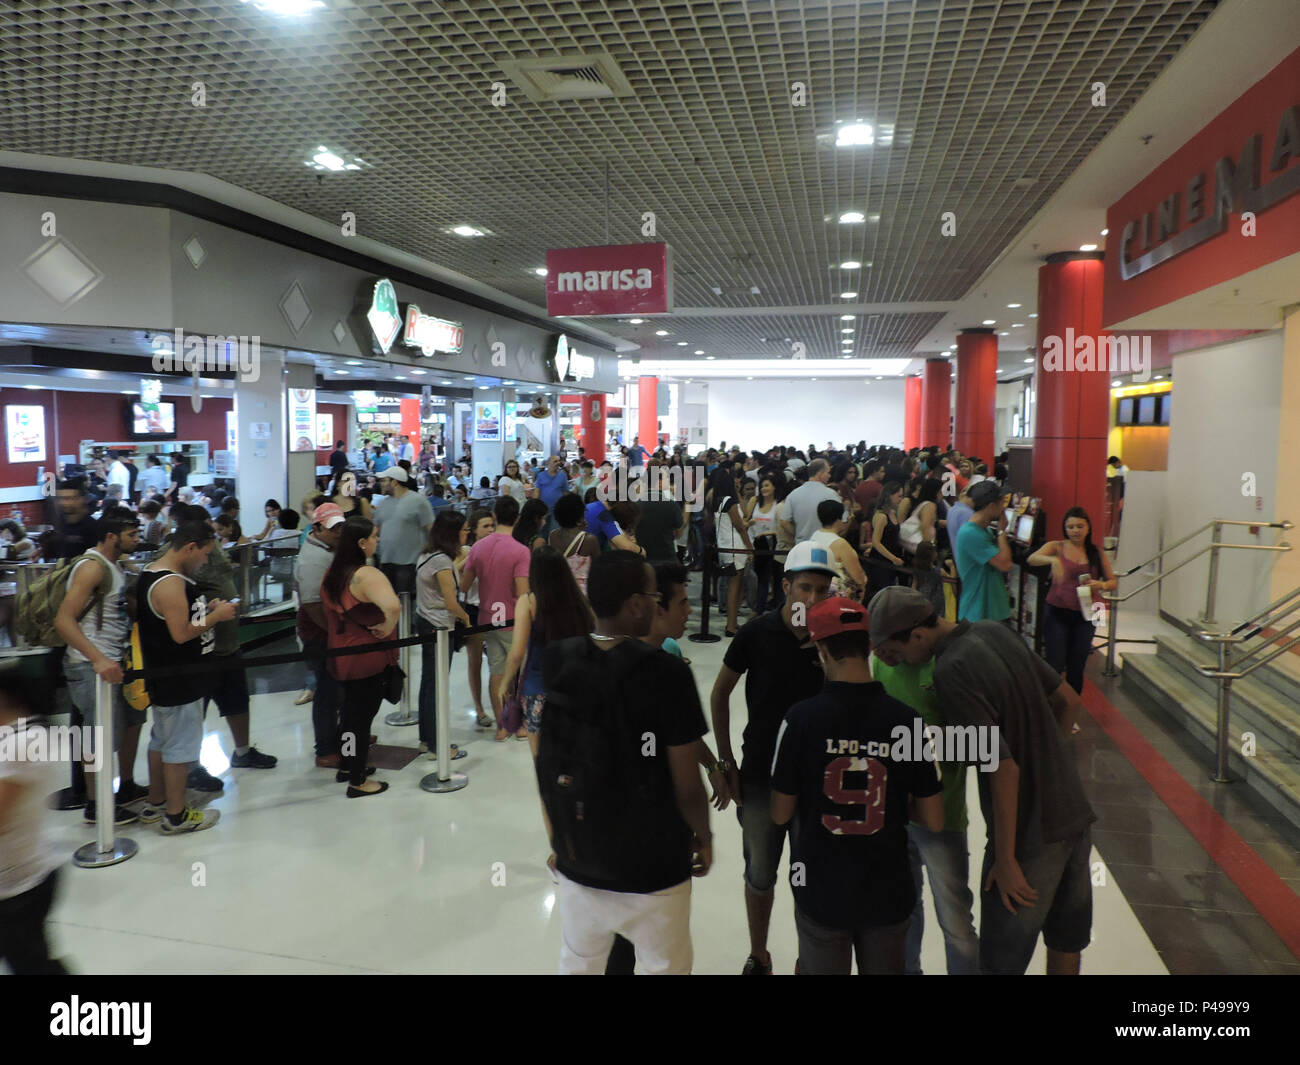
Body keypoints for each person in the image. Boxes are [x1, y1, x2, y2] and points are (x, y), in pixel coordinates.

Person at [869, 585, 1095, 975]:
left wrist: (1006, 860)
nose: (897, 662)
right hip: (1074, 813)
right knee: (1066, 939)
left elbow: (1003, 767)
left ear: (918, 635)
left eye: (898, 652)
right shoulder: (994, 630)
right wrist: (1047, 759)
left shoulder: (951, 669)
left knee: (998, 962)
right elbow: (1069, 700)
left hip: (1029, 835)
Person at [538, 551, 712, 975]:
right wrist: (703, 836)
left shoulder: (558, 659)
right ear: (636, 604)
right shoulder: (669, 674)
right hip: (654, 861)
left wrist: (558, 836)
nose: (656, 604)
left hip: (581, 854)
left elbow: (548, 758)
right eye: (653, 596)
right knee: (663, 964)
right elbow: (687, 785)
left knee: (579, 962)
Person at [769, 597, 944, 975]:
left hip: (821, 885)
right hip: (888, 886)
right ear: (868, 646)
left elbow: (781, 811)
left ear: (820, 649)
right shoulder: (909, 722)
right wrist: (892, 803)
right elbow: (933, 818)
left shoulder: (800, 721)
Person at [708, 540, 835, 975]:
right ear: (785, 586)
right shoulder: (756, 633)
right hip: (760, 776)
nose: (812, 598)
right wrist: (725, 764)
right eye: (804, 588)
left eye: (822, 589)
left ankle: (808, 960)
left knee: (811, 876)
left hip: (817, 782)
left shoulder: (832, 639)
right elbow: (720, 691)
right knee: (760, 874)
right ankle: (758, 954)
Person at [871, 619, 978, 975]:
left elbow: (982, 745)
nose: (882, 656)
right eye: (877, 650)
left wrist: (912, 741)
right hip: (894, 816)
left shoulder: (948, 668)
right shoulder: (879, 666)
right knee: (903, 911)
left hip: (942, 817)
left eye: (888, 649)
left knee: (956, 921)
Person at [136, 520, 234, 833]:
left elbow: (174, 621)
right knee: (179, 747)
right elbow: (180, 634)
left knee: (161, 740)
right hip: (179, 678)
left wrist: (206, 611)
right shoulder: (170, 583)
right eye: (204, 554)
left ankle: (156, 801)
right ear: (190, 547)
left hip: (166, 675)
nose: (205, 562)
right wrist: (216, 617)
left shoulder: (155, 574)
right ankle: (176, 815)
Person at [53, 509, 146, 826]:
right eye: (131, 534)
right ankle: (96, 805)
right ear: (111, 536)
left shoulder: (113, 566)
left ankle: (120, 790)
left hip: (114, 663)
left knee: (125, 726)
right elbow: (64, 620)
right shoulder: (92, 568)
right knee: (97, 739)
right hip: (89, 667)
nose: (137, 540)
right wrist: (98, 658)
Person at [499, 545, 593, 848]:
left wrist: (505, 684)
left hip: (538, 695)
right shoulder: (579, 602)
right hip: (576, 694)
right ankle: (583, 837)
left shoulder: (528, 602)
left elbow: (516, 654)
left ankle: (558, 848)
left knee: (546, 775)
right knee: (578, 767)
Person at [319, 516, 401, 797]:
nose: (378, 541)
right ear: (362, 543)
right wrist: (388, 627)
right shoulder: (366, 575)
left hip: (341, 653)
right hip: (366, 656)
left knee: (350, 716)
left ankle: (348, 764)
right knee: (360, 719)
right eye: (375, 536)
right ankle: (357, 778)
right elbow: (394, 606)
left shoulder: (333, 572)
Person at [0, 665, 67, 973]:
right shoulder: (26, 734)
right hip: (29, 874)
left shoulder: (20, 743)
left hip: (17, 887)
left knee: (32, 964)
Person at [459, 496, 531, 739]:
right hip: (512, 621)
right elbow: (522, 593)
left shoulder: (478, 548)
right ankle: (519, 725)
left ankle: (502, 726)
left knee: (496, 672)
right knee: (518, 675)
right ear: (518, 519)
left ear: (496, 517)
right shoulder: (521, 551)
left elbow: (464, 585)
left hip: (487, 618)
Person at [1028, 507, 1117, 694]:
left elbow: (1112, 582)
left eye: (1079, 526)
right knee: (1055, 663)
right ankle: (1050, 706)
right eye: (1070, 527)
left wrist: (1099, 585)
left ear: (1088, 528)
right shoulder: (1057, 546)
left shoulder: (1096, 552)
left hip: (1088, 613)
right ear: (1065, 529)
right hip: (1057, 610)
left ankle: (1071, 710)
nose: (1075, 530)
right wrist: (1053, 561)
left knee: (1077, 666)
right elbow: (1032, 558)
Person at [415, 510, 473, 762]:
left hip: (426, 620)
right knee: (436, 686)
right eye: (464, 530)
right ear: (452, 532)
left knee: (429, 683)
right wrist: (467, 618)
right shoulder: (441, 561)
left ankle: (427, 739)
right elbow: (450, 602)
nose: (467, 534)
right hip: (439, 626)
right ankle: (437, 744)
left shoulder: (427, 554)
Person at [295, 502, 347, 766]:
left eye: (341, 527)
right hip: (320, 634)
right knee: (327, 693)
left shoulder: (327, 549)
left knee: (338, 689)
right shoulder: (312, 559)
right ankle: (326, 750)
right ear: (317, 528)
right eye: (333, 528)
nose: (339, 532)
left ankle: (342, 738)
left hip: (330, 630)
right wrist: (334, 633)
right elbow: (313, 605)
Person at [373, 466, 434, 602]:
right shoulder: (383, 503)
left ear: (394, 482)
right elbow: (376, 529)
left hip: (409, 563)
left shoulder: (419, 501)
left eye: (384, 481)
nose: (380, 484)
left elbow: (432, 529)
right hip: (386, 562)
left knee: (406, 602)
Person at [954, 480, 1012, 623]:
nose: (1003, 508)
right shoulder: (971, 534)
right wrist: (1001, 533)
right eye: (1001, 503)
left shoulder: (983, 530)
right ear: (992, 506)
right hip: (979, 614)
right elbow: (1005, 565)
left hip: (993, 611)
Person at [460, 508, 496, 730]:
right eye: (485, 526)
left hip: (495, 608)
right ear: (474, 530)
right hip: (473, 609)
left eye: (492, 525)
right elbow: (461, 582)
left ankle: (503, 705)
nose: (490, 530)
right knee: (476, 661)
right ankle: (479, 708)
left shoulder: (498, 547)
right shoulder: (466, 550)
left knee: (499, 660)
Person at [709, 467, 752, 637]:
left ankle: (732, 623)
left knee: (735, 585)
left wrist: (737, 493)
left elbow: (745, 513)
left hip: (726, 547)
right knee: (735, 586)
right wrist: (750, 548)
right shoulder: (728, 502)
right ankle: (731, 625)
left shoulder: (718, 500)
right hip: (736, 548)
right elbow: (740, 527)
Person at [810, 499, 868, 602]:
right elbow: (859, 578)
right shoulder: (841, 544)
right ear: (838, 519)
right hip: (837, 598)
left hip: (818, 590)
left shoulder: (815, 535)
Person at [781, 459, 842, 543]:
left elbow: (784, 522)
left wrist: (799, 534)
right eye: (828, 473)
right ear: (820, 474)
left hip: (802, 544)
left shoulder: (793, 494)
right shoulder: (831, 494)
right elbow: (842, 521)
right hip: (825, 544)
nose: (830, 476)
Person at [549, 492, 598, 593]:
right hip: (582, 595)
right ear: (579, 518)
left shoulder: (552, 536)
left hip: (559, 591)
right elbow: (598, 569)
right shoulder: (589, 540)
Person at [748, 474, 783, 612]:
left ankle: (774, 608)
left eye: (767, 485)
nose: (764, 488)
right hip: (757, 543)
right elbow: (746, 519)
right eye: (762, 486)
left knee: (776, 578)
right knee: (761, 578)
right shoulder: (754, 501)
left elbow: (781, 526)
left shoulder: (779, 504)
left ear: (774, 487)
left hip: (774, 544)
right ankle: (759, 609)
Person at [865, 481, 906, 595]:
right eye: (899, 496)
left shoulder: (893, 513)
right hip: (881, 560)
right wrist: (893, 558)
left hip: (891, 558)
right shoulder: (882, 516)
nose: (901, 499)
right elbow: (876, 541)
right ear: (889, 495)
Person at [55, 480, 99, 560]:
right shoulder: (61, 523)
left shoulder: (93, 527)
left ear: (81, 499)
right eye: (60, 498)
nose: (63, 503)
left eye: (67, 498)